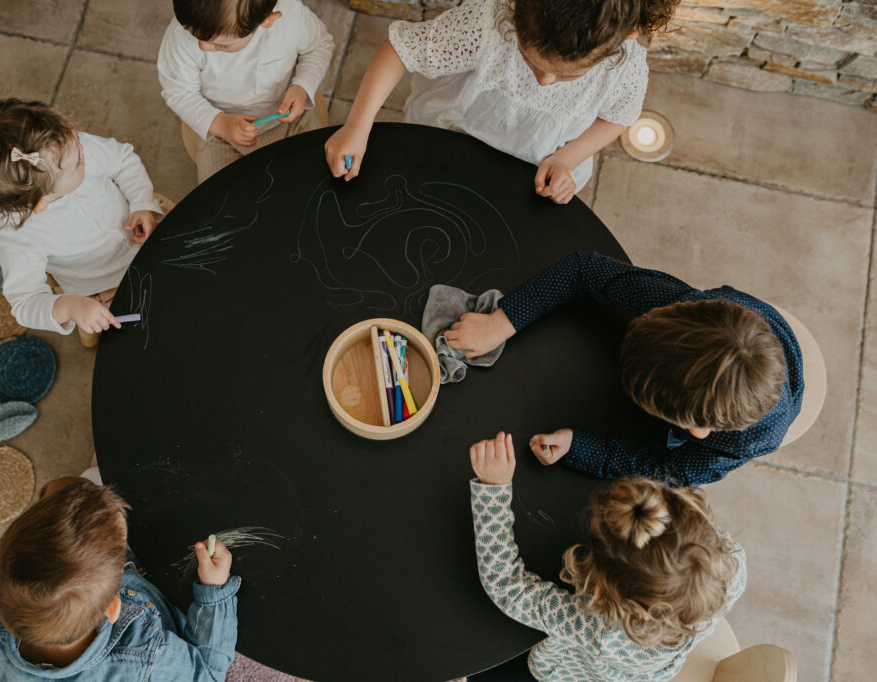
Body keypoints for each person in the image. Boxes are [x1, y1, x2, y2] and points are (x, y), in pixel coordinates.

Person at [446, 251, 803, 486]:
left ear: (696, 430)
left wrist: (580, 446)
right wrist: (500, 322)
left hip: (775, 382)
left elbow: (670, 470)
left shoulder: (749, 440)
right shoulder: (685, 307)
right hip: (741, 318)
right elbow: (583, 269)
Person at [325, 0, 679, 203]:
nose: (544, 81)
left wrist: (567, 159)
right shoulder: (488, 21)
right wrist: (357, 125)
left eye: (567, 75)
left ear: (626, 38)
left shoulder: (625, 68)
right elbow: (401, 52)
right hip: (459, 124)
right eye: (531, 62)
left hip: (537, 155)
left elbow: (618, 118)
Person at [468, 432, 746, 682]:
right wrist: (578, 445)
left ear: (599, 592)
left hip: (565, 673)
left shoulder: (598, 629)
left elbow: (507, 586)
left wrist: (493, 490)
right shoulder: (732, 565)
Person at [0, 477, 239, 681]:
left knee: (71, 487)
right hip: (159, 607)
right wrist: (214, 593)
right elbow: (210, 675)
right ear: (114, 607)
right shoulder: (150, 656)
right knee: (81, 486)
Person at [0, 98, 163, 336]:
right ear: (38, 202)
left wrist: (141, 203)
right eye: (77, 163)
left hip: (150, 237)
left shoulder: (63, 148)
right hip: (104, 289)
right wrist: (70, 306)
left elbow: (123, 159)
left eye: (76, 141)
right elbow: (25, 302)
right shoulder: (19, 236)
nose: (83, 150)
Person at [159, 0, 334, 182]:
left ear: (268, 20)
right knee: (221, 202)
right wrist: (219, 123)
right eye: (195, 36)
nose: (203, 46)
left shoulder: (291, 17)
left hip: (290, 122)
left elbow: (319, 45)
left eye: (222, 45)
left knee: (318, 181)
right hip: (222, 134)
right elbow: (178, 92)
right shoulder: (181, 38)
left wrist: (302, 86)